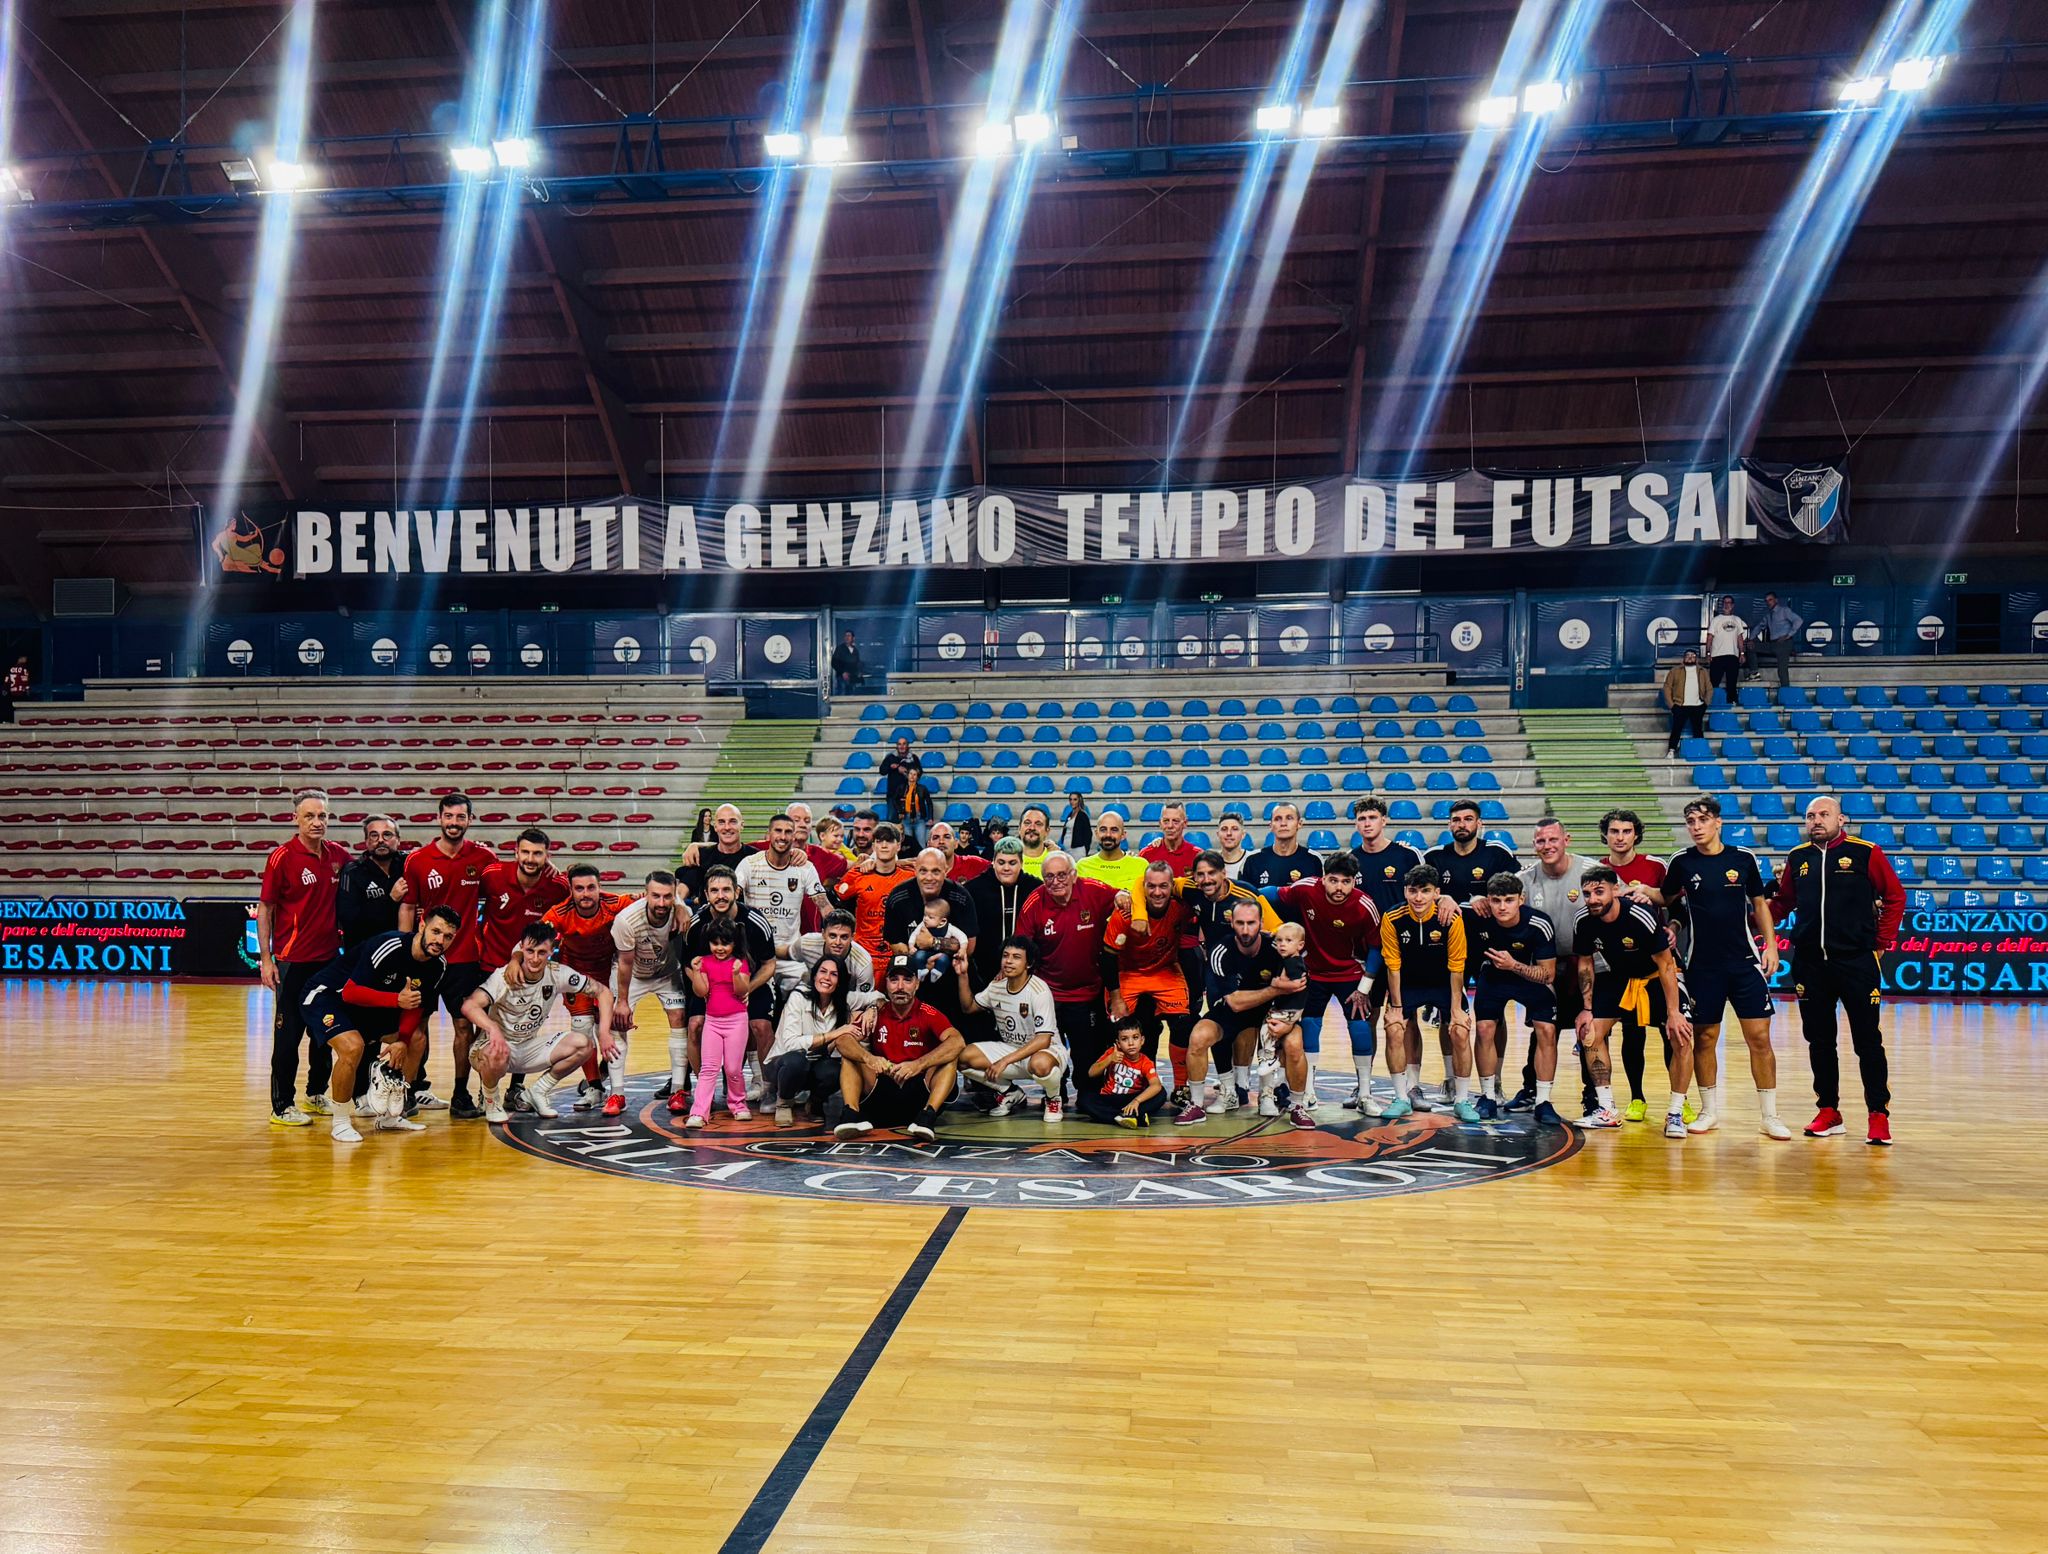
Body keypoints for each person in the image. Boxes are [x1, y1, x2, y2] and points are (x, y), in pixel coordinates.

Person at [1769, 793, 1905, 1145]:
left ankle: (1878, 1114)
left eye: (1824, 814)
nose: (1816, 820)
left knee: (1867, 1041)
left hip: (1855, 961)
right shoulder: (1798, 857)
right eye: (1810, 815)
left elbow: (1895, 896)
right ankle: (1829, 1110)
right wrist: (1755, 925)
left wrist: (1880, 942)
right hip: (1810, 964)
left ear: (1841, 820)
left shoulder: (1866, 852)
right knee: (1819, 1041)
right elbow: (1783, 903)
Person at [1655, 795, 1790, 1140]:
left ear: (1718, 822)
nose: (1696, 828)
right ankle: (1709, 1111)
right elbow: (1665, 898)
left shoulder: (1742, 858)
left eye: (1702, 820)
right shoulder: (1681, 862)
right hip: (1702, 966)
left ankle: (1769, 1116)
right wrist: (1636, 889)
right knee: (1705, 1038)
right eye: (1690, 822)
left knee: (1759, 1038)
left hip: (1745, 964)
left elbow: (1760, 905)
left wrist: (1770, 946)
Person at [303, 906, 462, 1144]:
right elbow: (350, 992)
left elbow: (416, 1005)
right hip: (327, 995)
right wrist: (396, 1000)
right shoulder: (389, 946)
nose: (440, 940)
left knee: (417, 1040)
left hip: (367, 1007)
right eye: (436, 931)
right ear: (421, 926)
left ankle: (391, 1116)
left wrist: (402, 1041)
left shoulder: (438, 965)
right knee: (353, 1047)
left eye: (448, 936)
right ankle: (341, 1122)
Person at [1570, 865, 1694, 1134]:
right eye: (1587, 894)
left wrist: (1673, 1012)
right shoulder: (1583, 920)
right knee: (1590, 1033)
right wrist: (1587, 1008)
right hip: (1620, 978)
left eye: (1599, 892)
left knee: (1681, 1035)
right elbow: (1585, 964)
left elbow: (1666, 965)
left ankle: (1675, 1113)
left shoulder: (1640, 915)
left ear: (1616, 890)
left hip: (1656, 978)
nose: (1593, 899)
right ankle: (1607, 1109)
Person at [397, 792, 498, 1119]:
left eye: (461, 817)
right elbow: (408, 906)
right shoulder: (417, 860)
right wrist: (405, 951)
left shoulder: (484, 858)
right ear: (440, 818)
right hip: (425, 961)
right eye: (449, 816)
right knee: (415, 1028)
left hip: (465, 960)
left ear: (470, 820)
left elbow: (506, 887)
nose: (454, 823)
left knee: (464, 1029)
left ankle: (460, 1094)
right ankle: (407, 1092)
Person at [258, 791, 352, 1128]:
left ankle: (315, 1094)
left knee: (324, 1031)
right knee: (288, 1035)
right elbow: (266, 908)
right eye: (310, 816)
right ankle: (282, 1105)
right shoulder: (282, 857)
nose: (317, 822)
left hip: (328, 961)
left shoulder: (338, 856)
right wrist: (266, 959)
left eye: (323, 816)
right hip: (292, 961)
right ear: (295, 818)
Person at [463, 921, 617, 1123]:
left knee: (584, 1044)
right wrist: (493, 1029)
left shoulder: (558, 973)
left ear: (552, 951)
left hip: (527, 1048)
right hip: (493, 1048)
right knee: (496, 1051)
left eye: (542, 952)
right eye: (530, 951)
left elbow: (603, 992)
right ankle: (491, 1101)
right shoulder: (504, 976)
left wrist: (604, 1033)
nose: (535, 959)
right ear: (521, 948)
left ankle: (537, 1092)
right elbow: (469, 1006)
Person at [1267, 853, 1381, 1113]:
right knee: (1308, 1027)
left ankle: (1365, 1094)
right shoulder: (1306, 888)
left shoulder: (1365, 905)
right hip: (1313, 974)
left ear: (1354, 881)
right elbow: (1268, 894)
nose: (1339, 888)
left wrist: (1364, 988)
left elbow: (1376, 948)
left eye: (1346, 882)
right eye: (1333, 880)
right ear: (1323, 879)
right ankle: (1308, 1091)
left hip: (1350, 973)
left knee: (1360, 1029)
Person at [1175, 900, 1305, 1125]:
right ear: (1231, 923)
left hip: (1273, 1012)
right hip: (1237, 1010)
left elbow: (1301, 986)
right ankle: (1196, 1104)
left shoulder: (1278, 947)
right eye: (1240, 923)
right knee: (1198, 1036)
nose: (1246, 930)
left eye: (1251, 923)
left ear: (1262, 923)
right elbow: (1235, 1003)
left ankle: (1294, 1104)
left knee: (1294, 1044)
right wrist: (1275, 988)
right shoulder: (1220, 952)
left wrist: (1290, 1021)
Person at [670, 866, 778, 1111]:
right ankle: (705, 1088)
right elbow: (687, 965)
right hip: (710, 986)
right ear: (705, 894)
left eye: (726, 890)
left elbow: (769, 965)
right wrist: (705, 988)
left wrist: (747, 988)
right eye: (714, 890)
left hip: (749, 981)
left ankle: (769, 1089)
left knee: (761, 1026)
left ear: (737, 891)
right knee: (695, 1025)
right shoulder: (696, 924)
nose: (721, 895)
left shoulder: (755, 921)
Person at [1503, 816, 1592, 1114]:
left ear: (1567, 840)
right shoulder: (1524, 879)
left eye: (1553, 839)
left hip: (1586, 963)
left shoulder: (1590, 872)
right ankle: (1531, 1091)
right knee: (1541, 1028)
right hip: (1544, 966)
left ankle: (1593, 1096)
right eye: (1541, 841)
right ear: (1534, 845)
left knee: (1588, 1029)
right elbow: (1499, 901)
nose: (1547, 845)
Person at [1014, 852, 1118, 1092]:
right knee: (1050, 1055)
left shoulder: (1093, 890)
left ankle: (1088, 1096)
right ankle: (1054, 1096)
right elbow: (1020, 948)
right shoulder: (1035, 902)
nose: (1056, 881)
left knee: (1087, 1055)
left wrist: (1123, 898)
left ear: (1074, 875)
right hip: (1049, 995)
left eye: (1062, 875)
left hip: (1087, 993)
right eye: (1049, 877)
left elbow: (1122, 897)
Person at [1463, 874, 1563, 1125]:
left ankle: (1543, 1101)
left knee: (1547, 1030)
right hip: (1493, 978)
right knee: (1485, 1028)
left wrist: (1514, 965)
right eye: (1496, 901)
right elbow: (1444, 902)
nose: (1502, 907)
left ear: (1521, 899)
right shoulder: (1478, 915)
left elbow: (1548, 974)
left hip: (1530, 976)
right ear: (1488, 901)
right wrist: (1445, 899)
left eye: (1509, 900)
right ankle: (1487, 1095)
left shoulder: (1539, 923)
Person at [833, 955, 965, 1141]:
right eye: (894, 980)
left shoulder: (928, 1013)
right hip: (881, 1091)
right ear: (886, 984)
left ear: (917, 984)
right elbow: (843, 1041)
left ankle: (927, 1117)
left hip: (918, 1093)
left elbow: (957, 1041)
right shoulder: (876, 1013)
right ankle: (851, 1115)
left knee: (950, 1056)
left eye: (907, 980)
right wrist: (869, 1058)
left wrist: (918, 1065)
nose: (900, 987)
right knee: (850, 1055)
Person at [1379, 866, 1475, 1121]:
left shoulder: (1451, 918)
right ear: (1405, 892)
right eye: (1413, 891)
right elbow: (1393, 964)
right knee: (1394, 1028)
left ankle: (1462, 1099)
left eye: (1425, 891)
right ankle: (1401, 1097)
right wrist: (1397, 1007)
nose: (1419, 898)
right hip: (1408, 982)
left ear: (1437, 893)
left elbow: (1457, 965)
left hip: (1444, 982)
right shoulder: (1392, 917)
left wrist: (1455, 1009)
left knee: (1460, 1030)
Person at [1104, 862, 1200, 1108]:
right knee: (1120, 1026)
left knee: (1182, 1023)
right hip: (1129, 973)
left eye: (1164, 886)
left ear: (1172, 886)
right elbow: (1107, 956)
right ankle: (1129, 1082)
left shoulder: (1182, 906)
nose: (1157, 892)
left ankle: (1180, 1087)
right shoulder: (1125, 913)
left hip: (1165, 971)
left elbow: (1203, 889)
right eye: (1151, 886)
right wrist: (1115, 997)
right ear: (1143, 887)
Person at [540, 864, 636, 1113]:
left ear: (599, 887)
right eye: (579, 889)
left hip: (609, 970)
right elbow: (536, 939)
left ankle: (615, 1084)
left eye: (591, 887)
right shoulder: (558, 913)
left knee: (613, 1029)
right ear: (570, 891)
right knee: (582, 1031)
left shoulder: (616, 903)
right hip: (576, 974)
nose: (585, 894)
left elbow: (651, 901)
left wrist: (679, 907)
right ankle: (595, 1087)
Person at [1601, 808, 1670, 1124]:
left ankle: (1678, 1101)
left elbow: (1676, 905)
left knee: (1672, 1033)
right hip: (1621, 970)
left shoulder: (1656, 867)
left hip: (1658, 966)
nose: (1619, 837)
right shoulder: (1596, 870)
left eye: (1626, 831)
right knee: (1632, 1035)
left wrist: (1675, 929)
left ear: (1636, 835)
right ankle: (1637, 1098)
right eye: (1614, 831)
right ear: (1606, 835)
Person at [955, 934, 1067, 1122]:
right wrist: (963, 975)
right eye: (1005, 955)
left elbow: (1043, 1040)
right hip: (1013, 1050)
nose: (1008, 961)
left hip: (1046, 1051)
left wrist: (1004, 1061)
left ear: (1028, 964)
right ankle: (1009, 1092)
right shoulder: (996, 986)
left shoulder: (1039, 991)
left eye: (1016, 957)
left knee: (1039, 1064)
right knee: (963, 1059)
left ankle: (1053, 1098)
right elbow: (969, 1007)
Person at [766, 954, 880, 1127]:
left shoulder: (844, 1000)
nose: (826, 978)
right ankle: (783, 1101)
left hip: (815, 1064)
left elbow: (878, 996)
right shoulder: (799, 997)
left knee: (835, 1070)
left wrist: (871, 1010)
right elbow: (791, 1044)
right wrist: (834, 1034)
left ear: (840, 981)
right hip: (782, 1064)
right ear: (814, 975)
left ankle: (815, 1102)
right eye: (823, 972)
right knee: (796, 1061)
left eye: (834, 974)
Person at [612, 869, 688, 1116]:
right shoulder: (626, 920)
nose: (662, 902)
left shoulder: (679, 912)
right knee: (618, 1023)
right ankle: (616, 1093)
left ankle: (677, 1091)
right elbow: (624, 963)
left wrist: (683, 907)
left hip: (667, 973)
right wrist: (622, 1001)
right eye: (656, 896)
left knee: (679, 1019)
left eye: (668, 897)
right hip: (633, 975)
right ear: (645, 895)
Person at [735, 813, 829, 1004]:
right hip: (756, 955)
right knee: (758, 1017)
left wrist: (837, 930)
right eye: (778, 831)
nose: (783, 836)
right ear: (768, 834)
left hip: (790, 955)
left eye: (788, 832)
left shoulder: (805, 868)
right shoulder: (750, 864)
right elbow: (731, 897)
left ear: (794, 836)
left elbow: (824, 905)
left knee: (807, 995)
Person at [681, 920, 754, 1128]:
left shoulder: (740, 963)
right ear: (709, 944)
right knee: (708, 1068)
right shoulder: (704, 962)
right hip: (712, 1021)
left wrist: (735, 974)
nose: (720, 948)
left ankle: (738, 1105)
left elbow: (742, 991)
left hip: (737, 1021)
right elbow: (701, 991)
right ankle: (699, 1112)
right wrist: (695, 971)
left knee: (732, 1068)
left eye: (725, 943)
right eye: (715, 943)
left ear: (734, 944)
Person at [833, 822, 915, 960]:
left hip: (898, 952)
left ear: (899, 846)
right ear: (873, 846)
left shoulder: (911, 877)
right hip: (863, 952)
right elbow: (836, 899)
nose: (883, 845)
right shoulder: (858, 874)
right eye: (879, 841)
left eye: (889, 841)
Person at [1079, 1013, 1169, 1128]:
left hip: (1132, 1098)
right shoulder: (1112, 1053)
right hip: (1110, 1097)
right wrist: (1109, 1060)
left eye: (1135, 1038)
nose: (1131, 1043)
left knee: (1161, 1094)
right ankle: (1133, 1117)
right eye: (1124, 1039)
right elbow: (1091, 1073)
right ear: (1118, 1043)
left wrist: (1136, 1101)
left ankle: (1123, 1115)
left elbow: (1155, 1086)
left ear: (1142, 1040)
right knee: (1084, 1099)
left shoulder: (1145, 1062)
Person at [1423, 800, 1518, 906]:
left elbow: (1516, 891)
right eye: (1456, 820)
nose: (1462, 825)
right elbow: (1417, 893)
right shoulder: (1433, 857)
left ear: (1479, 823)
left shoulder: (1498, 853)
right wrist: (1440, 898)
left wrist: (1488, 898)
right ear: (1450, 825)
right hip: (1447, 921)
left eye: (1468, 819)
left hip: (1489, 920)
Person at [337, 815, 407, 950]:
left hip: (403, 950)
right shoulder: (352, 871)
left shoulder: (408, 864)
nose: (380, 840)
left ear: (398, 840)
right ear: (366, 841)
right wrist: (390, 900)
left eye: (387, 835)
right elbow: (349, 919)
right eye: (374, 835)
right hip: (365, 952)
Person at [787, 908, 877, 992]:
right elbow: (785, 953)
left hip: (846, 1003)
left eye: (844, 937)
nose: (837, 942)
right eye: (832, 936)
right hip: (812, 996)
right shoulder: (806, 943)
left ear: (852, 937)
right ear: (823, 934)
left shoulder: (863, 963)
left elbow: (865, 1001)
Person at [1241, 802, 1323, 892]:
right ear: (1271, 825)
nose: (1283, 823)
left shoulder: (1314, 860)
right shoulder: (1253, 860)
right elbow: (1245, 901)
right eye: (1277, 819)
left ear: (1299, 824)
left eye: (1289, 818)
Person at [1075, 810, 1148, 896]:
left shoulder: (1141, 865)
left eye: (1114, 830)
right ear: (1096, 833)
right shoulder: (1082, 866)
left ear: (1123, 835)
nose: (1108, 835)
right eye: (1103, 830)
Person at [1663, 648, 1711, 757]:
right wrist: (1672, 705)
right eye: (1688, 655)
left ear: (1696, 659)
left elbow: (1709, 688)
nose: (1690, 657)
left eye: (1693, 655)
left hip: (1698, 705)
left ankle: (1700, 752)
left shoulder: (1702, 671)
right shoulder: (1675, 671)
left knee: (1698, 730)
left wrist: (1705, 703)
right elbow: (1667, 687)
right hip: (1680, 705)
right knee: (1676, 729)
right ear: (1684, 658)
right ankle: (1671, 750)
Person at [880, 737, 926, 846]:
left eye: (904, 744)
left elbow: (919, 773)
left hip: (910, 796)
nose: (901, 746)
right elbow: (882, 771)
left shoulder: (913, 758)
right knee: (892, 821)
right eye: (899, 744)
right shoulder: (890, 757)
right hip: (893, 796)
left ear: (907, 746)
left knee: (910, 824)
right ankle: (891, 845)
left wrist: (906, 771)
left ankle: (910, 847)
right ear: (897, 746)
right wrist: (893, 767)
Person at [1753, 592, 1804, 689]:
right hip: (1773, 644)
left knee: (1782, 670)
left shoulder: (1784, 610)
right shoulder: (1768, 615)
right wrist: (1751, 639)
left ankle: (1786, 691)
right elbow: (1759, 626)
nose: (1768, 602)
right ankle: (1754, 673)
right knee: (1751, 647)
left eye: (1770, 600)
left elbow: (1798, 620)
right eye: (1766, 600)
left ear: (1776, 600)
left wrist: (1788, 635)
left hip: (1784, 643)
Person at [1706, 594, 1748, 703]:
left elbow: (1740, 638)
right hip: (1717, 655)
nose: (1726, 605)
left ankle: (1731, 702)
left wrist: (1742, 653)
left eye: (1729, 602)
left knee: (1732, 682)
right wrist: (1708, 653)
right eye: (1725, 602)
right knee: (1714, 682)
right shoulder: (1716, 619)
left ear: (1732, 605)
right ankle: (1711, 702)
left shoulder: (1737, 619)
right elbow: (1710, 637)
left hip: (1732, 655)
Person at [1015, 805, 1055, 874]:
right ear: (1019, 829)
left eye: (1038, 824)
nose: (1032, 827)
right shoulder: (1006, 860)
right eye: (1027, 823)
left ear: (1047, 831)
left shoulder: (1058, 861)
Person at [1212, 814, 1249, 879]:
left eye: (1234, 829)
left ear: (1243, 834)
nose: (1229, 833)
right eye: (1224, 829)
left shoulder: (1253, 859)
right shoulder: (1211, 862)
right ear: (1218, 834)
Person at [831, 629, 864, 696]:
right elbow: (834, 663)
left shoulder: (855, 650)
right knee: (842, 695)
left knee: (852, 696)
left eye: (849, 635)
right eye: (846, 636)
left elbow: (857, 663)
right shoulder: (840, 648)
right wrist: (842, 672)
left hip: (852, 678)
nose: (847, 637)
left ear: (853, 638)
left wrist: (859, 672)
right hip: (842, 678)